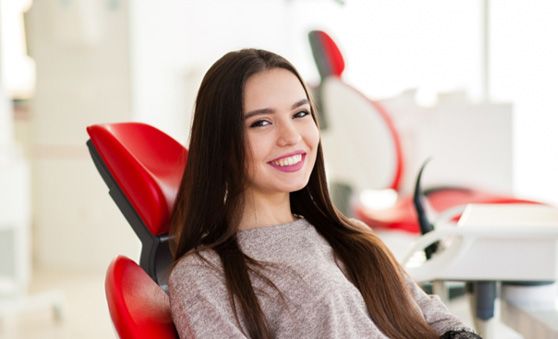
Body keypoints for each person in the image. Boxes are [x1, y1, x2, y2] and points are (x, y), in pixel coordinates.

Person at [169, 48, 480, 339]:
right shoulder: (202, 276)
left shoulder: (352, 236)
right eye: (261, 123)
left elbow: (436, 320)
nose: (291, 137)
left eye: (300, 114)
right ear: (222, 145)